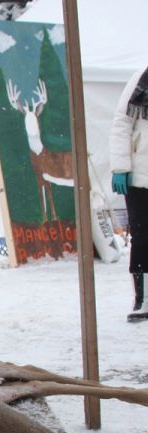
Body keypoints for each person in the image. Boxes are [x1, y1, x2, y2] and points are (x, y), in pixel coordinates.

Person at [110, 65, 148, 323]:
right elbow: (122, 123)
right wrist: (121, 167)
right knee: (143, 235)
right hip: (140, 176)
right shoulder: (141, 80)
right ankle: (142, 298)